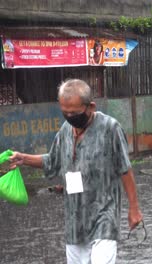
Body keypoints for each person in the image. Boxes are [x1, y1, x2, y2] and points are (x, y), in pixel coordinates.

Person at [9, 79, 143, 263]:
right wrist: (23, 158)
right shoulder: (65, 130)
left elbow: (125, 169)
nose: (70, 116)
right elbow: (52, 161)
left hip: (104, 216)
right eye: (65, 112)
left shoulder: (110, 128)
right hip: (75, 220)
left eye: (74, 112)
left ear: (91, 107)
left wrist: (134, 209)